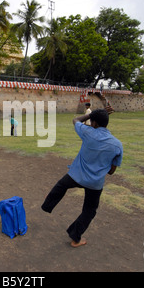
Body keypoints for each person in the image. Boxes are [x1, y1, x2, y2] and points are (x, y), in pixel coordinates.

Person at [41, 106, 123, 248]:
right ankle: (75, 237)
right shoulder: (117, 145)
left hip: (76, 176)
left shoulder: (87, 132)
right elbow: (111, 171)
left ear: (94, 123)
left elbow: (76, 119)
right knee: (89, 211)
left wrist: (92, 115)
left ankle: (47, 206)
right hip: (95, 183)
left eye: (92, 121)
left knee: (61, 185)